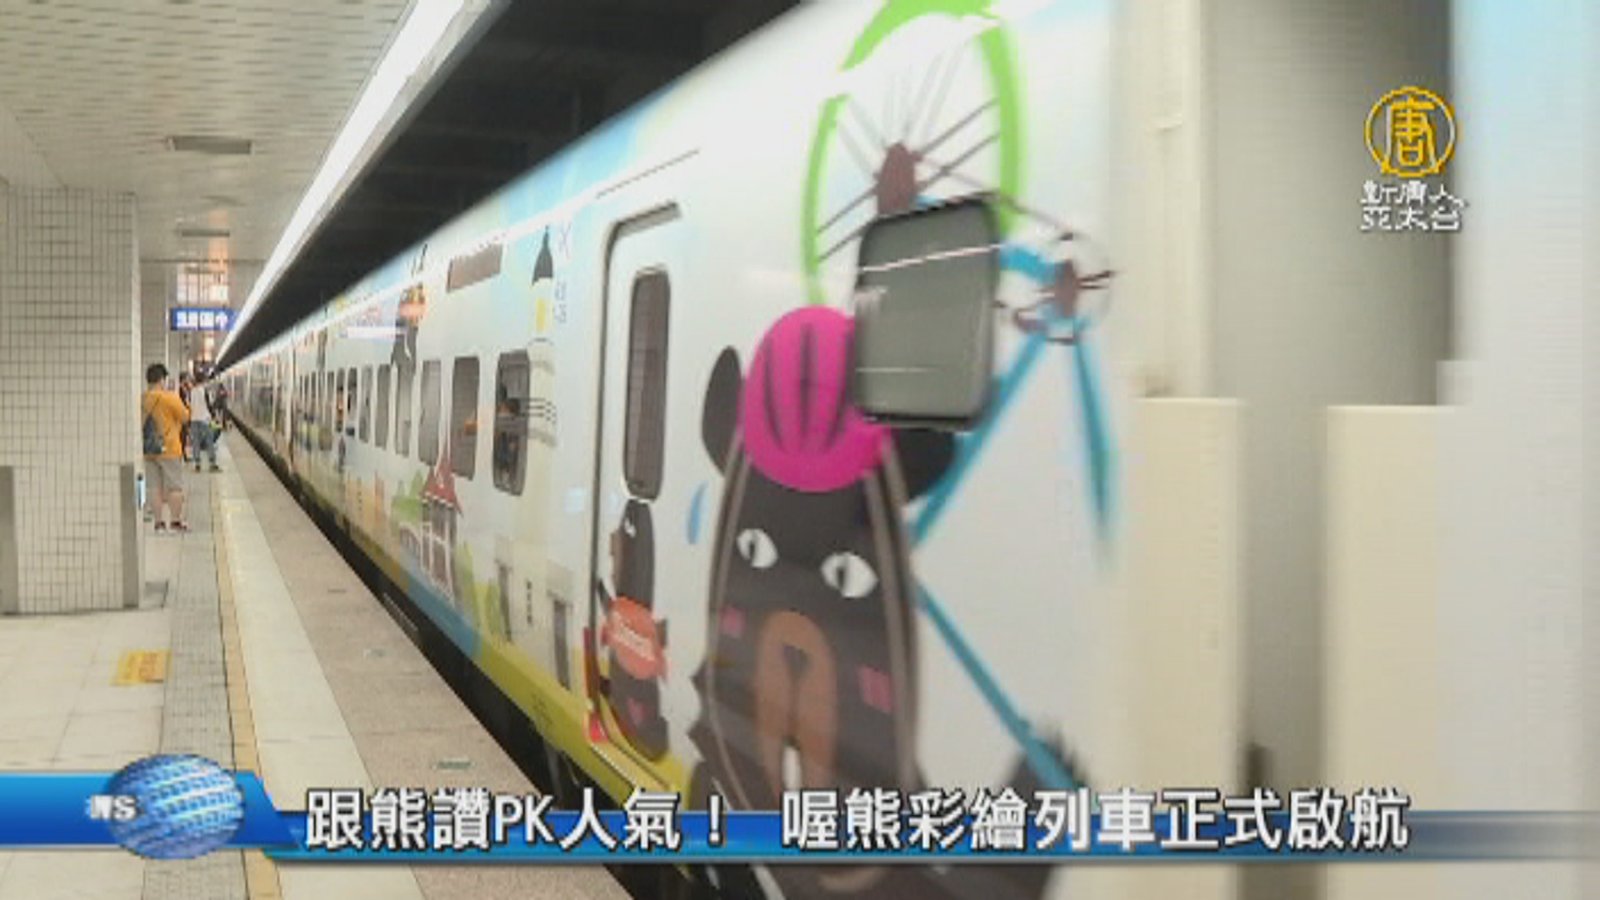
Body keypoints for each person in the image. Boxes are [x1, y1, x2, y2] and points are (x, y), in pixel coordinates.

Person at [141, 363, 189, 533]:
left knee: (154, 487)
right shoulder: (169, 398)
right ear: (162, 379)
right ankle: (175, 522)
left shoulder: (142, 399)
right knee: (174, 487)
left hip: (148, 450)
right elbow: (185, 417)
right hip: (169, 448)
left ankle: (159, 523)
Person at [188, 378, 221, 473]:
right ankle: (212, 464)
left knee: (196, 442)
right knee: (209, 441)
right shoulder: (205, 391)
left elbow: (189, 404)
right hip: (205, 419)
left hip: (194, 419)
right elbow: (210, 405)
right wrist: (214, 417)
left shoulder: (192, 391)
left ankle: (197, 464)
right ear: (203, 381)